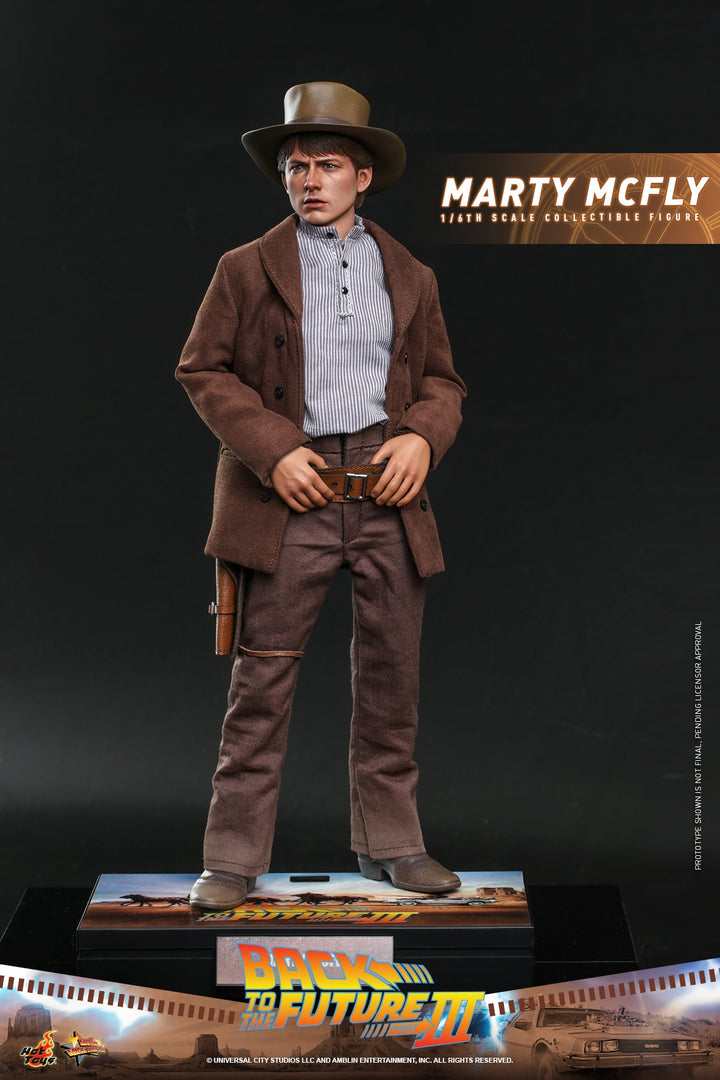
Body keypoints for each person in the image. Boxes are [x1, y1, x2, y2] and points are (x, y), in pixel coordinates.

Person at [176, 82, 466, 910]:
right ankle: (231, 858)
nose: (309, 180)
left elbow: (442, 382)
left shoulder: (410, 273)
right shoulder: (244, 268)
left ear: (363, 176)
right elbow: (202, 369)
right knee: (261, 680)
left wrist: (421, 438)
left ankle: (393, 843)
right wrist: (273, 451)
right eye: (295, 167)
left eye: (327, 165)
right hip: (287, 493)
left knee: (391, 677)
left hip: (386, 488)